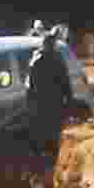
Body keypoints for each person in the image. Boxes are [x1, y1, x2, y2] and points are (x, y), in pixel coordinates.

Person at [26, 29, 74, 164]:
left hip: (40, 103)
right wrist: (69, 101)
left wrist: (29, 102)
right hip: (53, 102)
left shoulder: (36, 58)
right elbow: (65, 82)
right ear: (52, 45)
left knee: (40, 131)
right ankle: (50, 157)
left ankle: (39, 157)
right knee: (52, 131)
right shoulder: (57, 59)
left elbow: (29, 84)